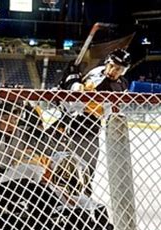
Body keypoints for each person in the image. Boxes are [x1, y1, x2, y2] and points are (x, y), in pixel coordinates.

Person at [56, 48, 132, 195]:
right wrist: (74, 77)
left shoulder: (113, 87)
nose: (113, 71)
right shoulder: (98, 71)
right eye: (112, 66)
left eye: (119, 69)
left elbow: (78, 101)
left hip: (86, 126)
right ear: (107, 63)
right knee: (61, 164)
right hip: (70, 122)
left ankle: (82, 195)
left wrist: (71, 80)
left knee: (82, 168)